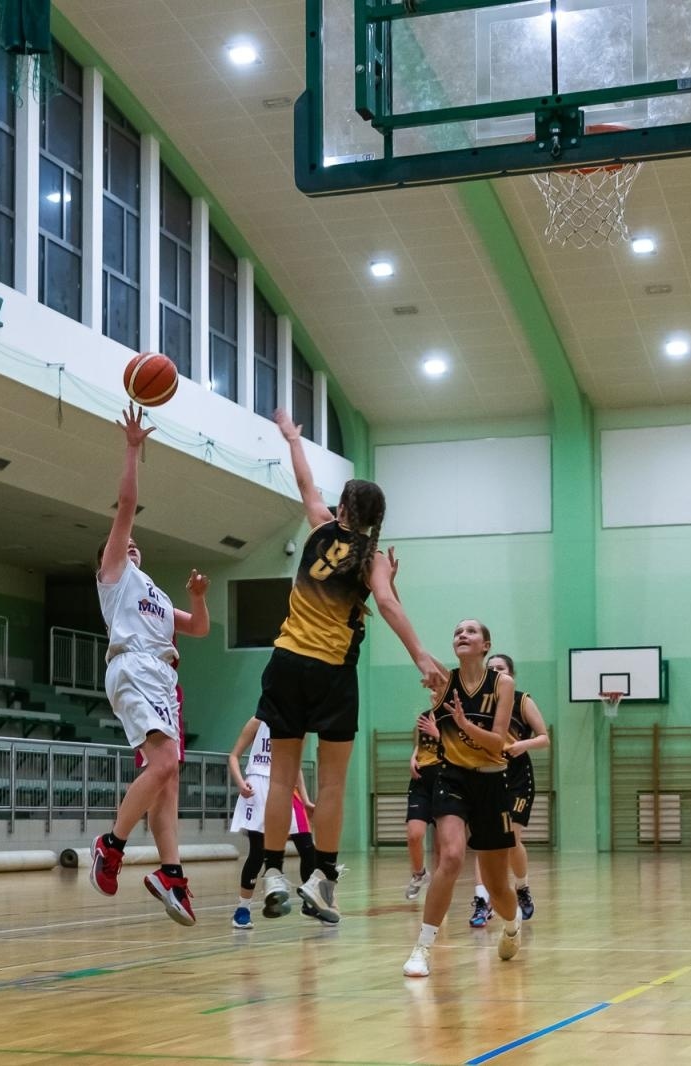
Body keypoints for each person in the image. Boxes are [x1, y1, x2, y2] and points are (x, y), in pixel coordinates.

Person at [255, 408, 448, 925]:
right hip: (332, 675)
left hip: (286, 662)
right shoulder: (372, 558)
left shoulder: (319, 527)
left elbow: (303, 481)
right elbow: (385, 605)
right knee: (333, 784)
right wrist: (421, 655)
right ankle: (321, 878)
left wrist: (294, 437)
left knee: (280, 779)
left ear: (342, 507)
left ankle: (272, 871)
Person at [88, 405, 211, 926]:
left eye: (135, 545)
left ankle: (171, 873)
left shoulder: (154, 592)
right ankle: (110, 844)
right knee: (161, 767)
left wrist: (199, 598)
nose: (130, 544)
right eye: (124, 542)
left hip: (162, 677)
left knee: (169, 779)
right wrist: (133, 448)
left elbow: (199, 628)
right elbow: (128, 506)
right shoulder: (115, 575)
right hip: (133, 668)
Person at [403, 619, 523, 978]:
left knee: (499, 886)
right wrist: (386, 590)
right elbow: (415, 647)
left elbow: (498, 740)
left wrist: (463, 724)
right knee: (451, 857)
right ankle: (422, 947)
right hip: (452, 778)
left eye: (471, 631)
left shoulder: (503, 684)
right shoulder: (443, 680)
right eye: (457, 631)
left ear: (486, 644)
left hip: (491, 783)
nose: (462, 635)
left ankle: (512, 924)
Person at [463, 652, 547, 923]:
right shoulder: (478, 702)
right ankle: (481, 901)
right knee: (484, 841)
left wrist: (523, 744)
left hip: (517, 776)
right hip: (486, 774)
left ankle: (521, 887)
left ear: (511, 674)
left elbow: (545, 738)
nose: (496, 673)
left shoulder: (522, 700)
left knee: (510, 838)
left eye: (501, 668)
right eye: (492, 669)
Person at [227, 716, 317, 928]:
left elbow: (296, 765)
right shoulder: (258, 721)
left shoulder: (296, 722)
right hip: (257, 785)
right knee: (258, 852)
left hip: (286, 785)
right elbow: (233, 756)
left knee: (307, 847)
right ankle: (243, 908)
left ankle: (310, 902)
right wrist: (241, 783)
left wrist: (305, 800)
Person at [404, 697, 443, 901]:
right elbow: (421, 745)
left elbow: (460, 748)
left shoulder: (456, 718)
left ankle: (438, 891)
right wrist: (413, 758)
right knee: (414, 835)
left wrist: (438, 733)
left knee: (441, 845)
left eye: (439, 689)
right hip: (421, 780)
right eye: (433, 691)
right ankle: (419, 874)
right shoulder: (425, 717)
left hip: (445, 779)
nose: (435, 694)